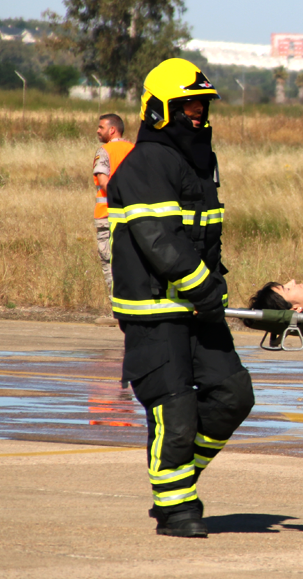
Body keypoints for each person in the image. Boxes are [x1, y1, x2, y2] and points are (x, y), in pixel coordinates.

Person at [106, 58, 254, 538]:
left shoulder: (198, 161)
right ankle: (175, 509)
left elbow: (202, 238)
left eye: (202, 104)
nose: (198, 113)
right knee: (175, 406)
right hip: (156, 310)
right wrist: (203, 287)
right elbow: (158, 240)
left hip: (200, 305)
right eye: (188, 104)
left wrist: (212, 290)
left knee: (233, 394)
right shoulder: (147, 162)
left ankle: (178, 478)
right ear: (159, 110)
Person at [91, 113, 133, 318]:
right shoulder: (135, 150)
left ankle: (119, 310)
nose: (98, 131)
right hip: (134, 216)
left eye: (101, 127)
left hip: (108, 217)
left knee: (110, 262)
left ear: (112, 130)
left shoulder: (104, 151)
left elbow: (104, 183)